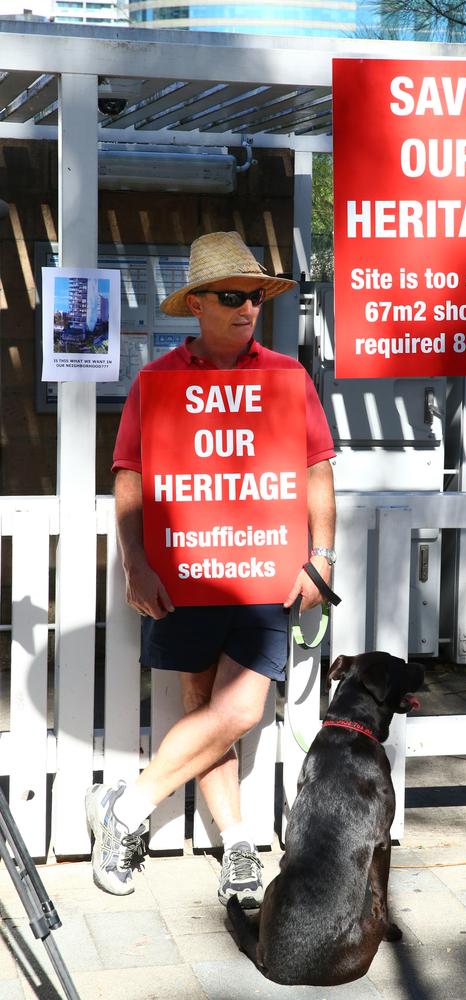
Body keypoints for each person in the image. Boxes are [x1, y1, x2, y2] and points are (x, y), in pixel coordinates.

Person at [85, 231, 336, 905]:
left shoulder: (288, 377)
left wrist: (322, 558)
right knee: (203, 709)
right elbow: (128, 474)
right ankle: (238, 847)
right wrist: (135, 563)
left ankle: (127, 810)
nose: (247, 307)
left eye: (254, 296)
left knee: (242, 706)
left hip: (262, 573)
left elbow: (317, 468)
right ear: (196, 303)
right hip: (185, 572)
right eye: (232, 296)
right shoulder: (156, 381)